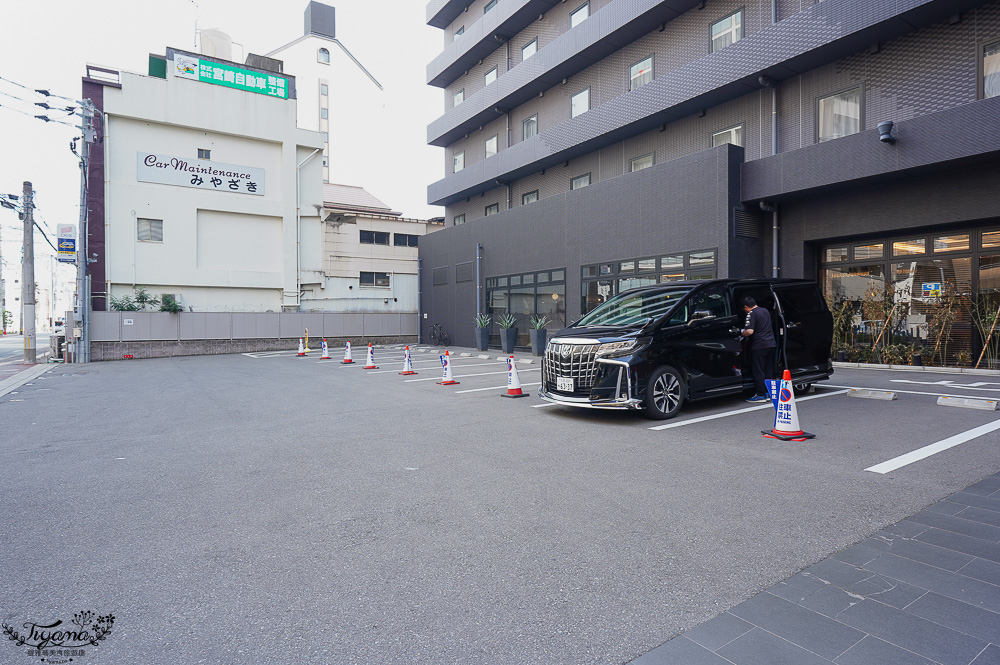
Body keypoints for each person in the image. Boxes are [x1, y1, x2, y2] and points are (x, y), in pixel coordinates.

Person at [741, 296, 776, 402]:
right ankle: (769, 393)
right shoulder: (765, 310)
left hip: (759, 345)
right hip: (771, 344)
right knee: (768, 370)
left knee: (759, 370)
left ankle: (760, 394)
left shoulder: (751, 314)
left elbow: (750, 331)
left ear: (746, 307)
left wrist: (741, 333)